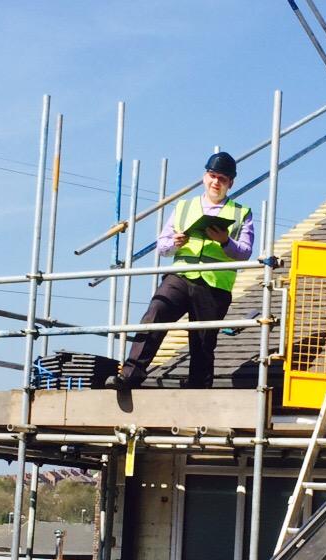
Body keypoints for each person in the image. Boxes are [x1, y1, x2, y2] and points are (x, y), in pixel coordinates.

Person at [109, 151, 254, 389]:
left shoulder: (241, 212)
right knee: (155, 314)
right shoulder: (185, 207)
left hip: (214, 284)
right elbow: (162, 246)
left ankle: (198, 386)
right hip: (180, 276)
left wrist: (225, 241)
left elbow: (245, 251)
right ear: (204, 177)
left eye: (223, 179)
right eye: (212, 175)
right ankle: (130, 374)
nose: (216, 182)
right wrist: (174, 242)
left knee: (203, 339)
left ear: (231, 183)